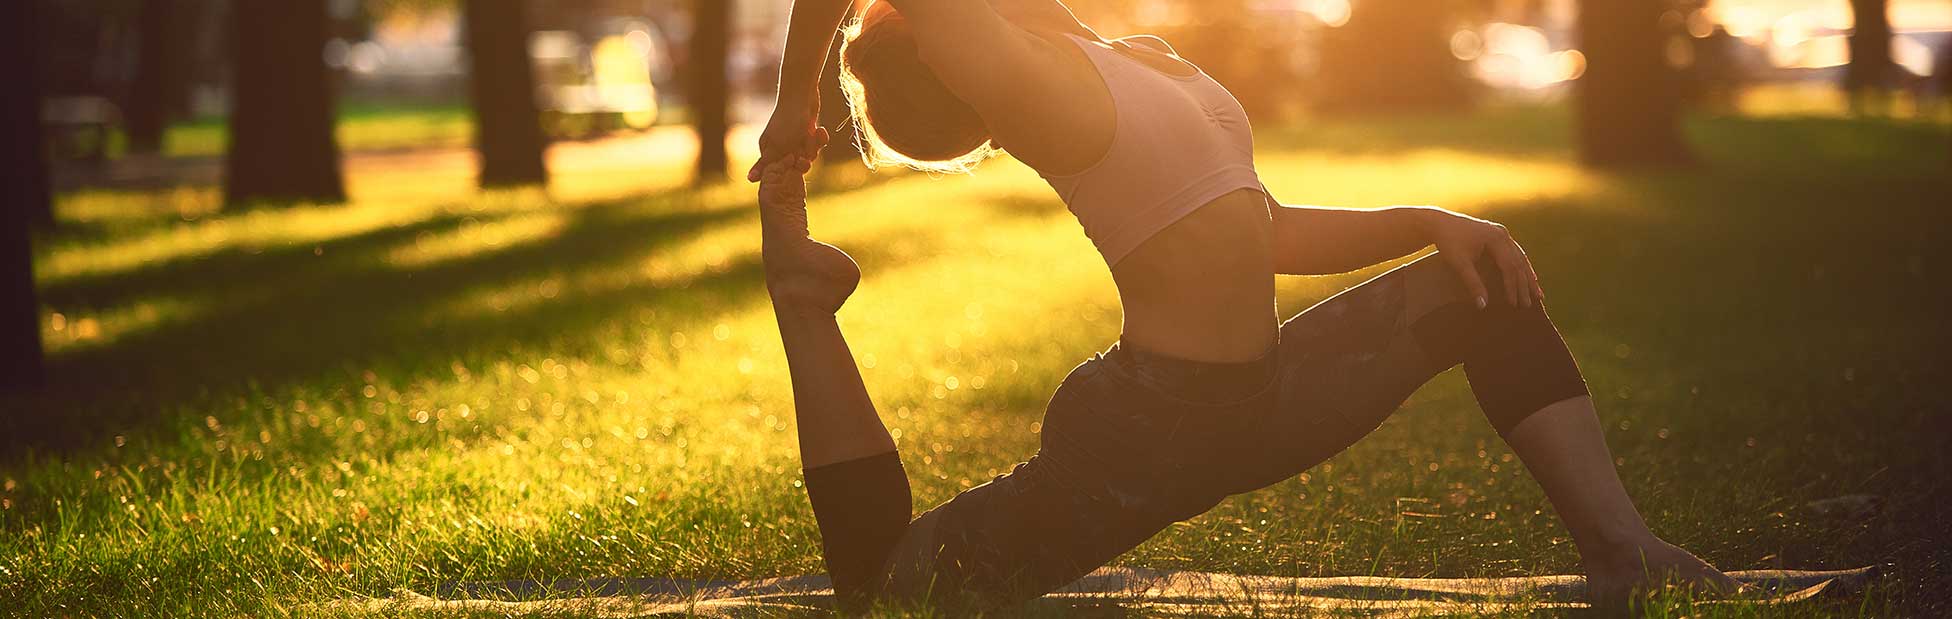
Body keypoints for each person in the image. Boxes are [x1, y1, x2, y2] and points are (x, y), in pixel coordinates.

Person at [750, 0, 1740, 611]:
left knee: (1478, 286)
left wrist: (1428, 218)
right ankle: (805, 305)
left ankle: (1622, 549)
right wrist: (799, 99)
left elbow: (1262, 230)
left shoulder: (1114, 55)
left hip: (1260, 399)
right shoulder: (1028, 83)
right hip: (1145, 433)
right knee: (889, 588)